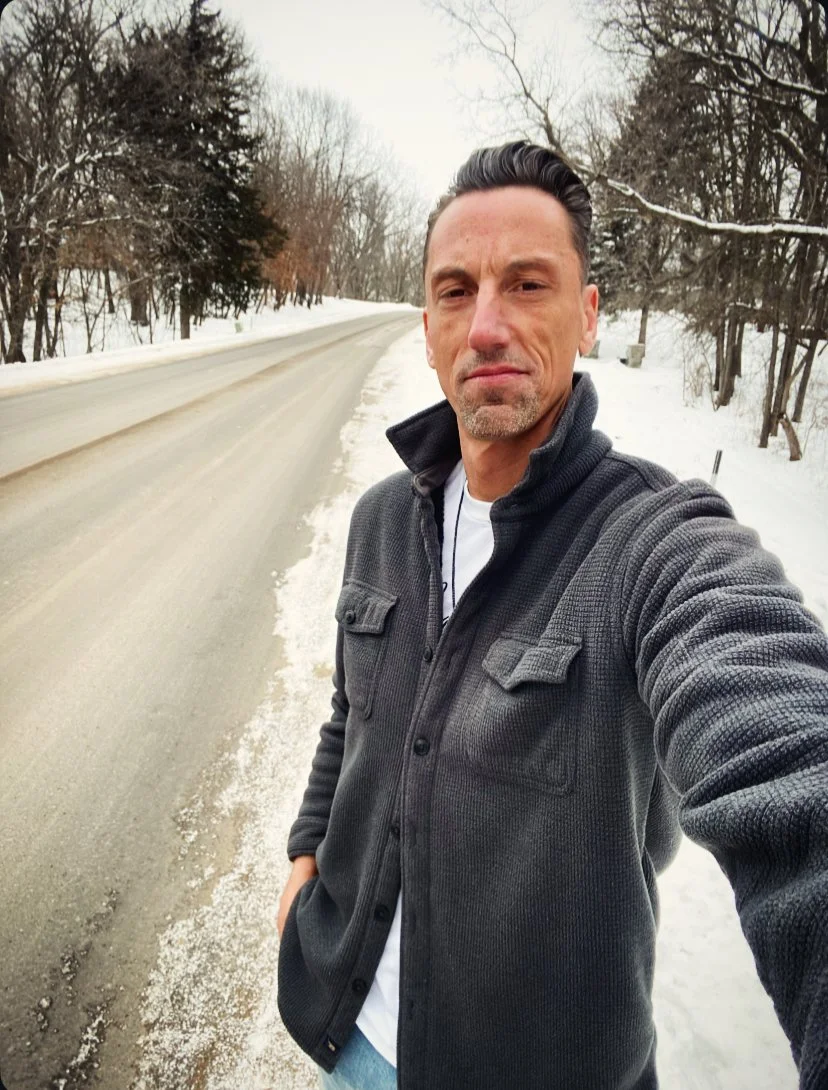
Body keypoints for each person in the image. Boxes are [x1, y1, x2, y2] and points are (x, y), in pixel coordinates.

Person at [277, 140, 828, 1090]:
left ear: (587, 314)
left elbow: (778, 742)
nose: (486, 325)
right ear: (427, 326)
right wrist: (303, 859)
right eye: (456, 291)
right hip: (349, 1040)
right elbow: (349, 716)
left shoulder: (653, 541)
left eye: (526, 284)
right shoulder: (377, 521)